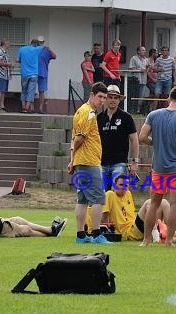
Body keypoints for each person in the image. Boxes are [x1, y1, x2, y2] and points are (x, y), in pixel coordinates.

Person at [138, 86, 176, 247]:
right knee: (174, 204)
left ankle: (146, 240)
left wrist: (155, 143)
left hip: (158, 167)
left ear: (169, 99)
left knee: (154, 203)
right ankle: (169, 240)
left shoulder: (153, 115)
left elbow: (142, 136)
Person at [67, 82, 110, 245]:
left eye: (104, 98)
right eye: (100, 96)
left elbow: (74, 139)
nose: (102, 101)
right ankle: (97, 233)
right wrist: (74, 158)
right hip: (89, 161)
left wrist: (72, 160)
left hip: (81, 161)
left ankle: (80, 235)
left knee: (82, 199)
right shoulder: (89, 112)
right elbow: (79, 138)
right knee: (99, 198)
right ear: (91, 95)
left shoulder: (80, 111)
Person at [86, 175, 170, 242]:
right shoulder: (110, 194)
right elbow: (104, 217)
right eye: (121, 185)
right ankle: (156, 237)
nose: (123, 188)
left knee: (164, 202)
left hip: (135, 226)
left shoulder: (128, 194)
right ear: (114, 186)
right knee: (149, 203)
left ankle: (170, 234)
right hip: (128, 232)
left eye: (126, 185)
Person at [97, 84, 139, 188]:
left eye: (116, 98)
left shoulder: (126, 117)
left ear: (119, 100)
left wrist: (135, 162)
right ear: (106, 99)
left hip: (119, 163)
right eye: (110, 97)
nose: (113, 100)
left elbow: (134, 140)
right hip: (101, 162)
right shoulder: (99, 118)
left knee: (117, 191)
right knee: (101, 195)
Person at [16, 39, 43, 113]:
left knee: (24, 90)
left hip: (24, 73)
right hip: (34, 74)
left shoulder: (22, 49)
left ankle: (23, 107)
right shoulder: (37, 49)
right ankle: (27, 108)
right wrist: (40, 41)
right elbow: (42, 46)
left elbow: (17, 60)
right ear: (36, 44)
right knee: (31, 91)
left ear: (30, 43)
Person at [36, 36, 56, 114]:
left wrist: (50, 49)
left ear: (43, 42)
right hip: (35, 72)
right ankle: (31, 107)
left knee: (41, 91)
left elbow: (55, 56)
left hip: (42, 72)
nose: (40, 43)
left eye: (41, 42)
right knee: (35, 90)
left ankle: (40, 108)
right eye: (39, 42)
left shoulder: (46, 50)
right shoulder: (34, 49)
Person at [128, 46, 150, 114]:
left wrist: (147, 69)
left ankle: (138, 110)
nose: (144, 52)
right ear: (138, 51)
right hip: (136, 80)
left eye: (144, 50)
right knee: (134, 95)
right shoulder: (134, 58)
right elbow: (130, 69)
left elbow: (148, 68)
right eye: (142, 50)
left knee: (141, 96)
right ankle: (133, 110)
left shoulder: (146, 59)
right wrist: (139, 70)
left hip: (143, 80)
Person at [0, 39, 12, 111]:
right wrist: (8, 64)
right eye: (8, 44)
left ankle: (2, 105)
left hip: (6, 75)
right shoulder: (0, 51)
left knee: (3, 90)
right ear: (4, 44)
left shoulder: (5, 52)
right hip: (1, 74)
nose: (9, 45)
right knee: (0, 89)